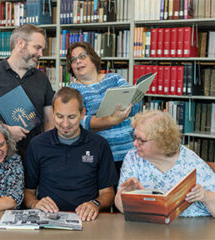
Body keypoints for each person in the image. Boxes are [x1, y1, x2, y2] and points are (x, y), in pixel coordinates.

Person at [24, 87, 118, 221]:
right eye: (59, 116)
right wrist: (35, 203)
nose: (65, 124)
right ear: (52, 113)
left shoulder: (99, 145)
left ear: (82, 113)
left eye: (72, 117)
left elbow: (108, 193)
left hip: (87, 220)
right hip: (48, 219)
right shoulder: (37, 144)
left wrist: (95, 204)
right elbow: (28, 192)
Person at [0, 24, 54, 159]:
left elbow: (49, 119)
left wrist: (47, 149)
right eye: (37, 48)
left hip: (32, 155)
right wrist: (5, 130)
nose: (41, 54)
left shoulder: (42, 78)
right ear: (20, 44)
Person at [114, 110, 215, 217]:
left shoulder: (191, 162)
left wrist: (205, 196)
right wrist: (126, 195)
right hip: (148, 227)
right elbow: (121, 207)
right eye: (134, 137)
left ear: (161, 141)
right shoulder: (133, 158)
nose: (134, 143)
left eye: (141, 140)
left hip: (193, 228)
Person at [67, 42, 141, 176]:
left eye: (82, 56)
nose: (78, 61)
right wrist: (112, 119)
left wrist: (131, 104)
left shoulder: (114, 78)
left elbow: (135, 106)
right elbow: (80, 122)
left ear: (93, 58)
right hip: (98, 155)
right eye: (73, 59)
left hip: (128, 153)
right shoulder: (71, 90)